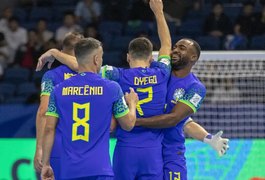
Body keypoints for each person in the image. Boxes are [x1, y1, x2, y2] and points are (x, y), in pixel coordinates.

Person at [37, 1, 172, 179]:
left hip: (124, 150)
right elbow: (166, 45)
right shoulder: (162, 72)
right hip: (153, 151)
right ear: (151, 57)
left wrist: (54, 52)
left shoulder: (116, 75)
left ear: (127, 57)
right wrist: (159, 12)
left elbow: (81, 65)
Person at [41, 37, 138, 180]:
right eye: (102, 57)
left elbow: (49, 129)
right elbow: (128, 124)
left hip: (70, 171)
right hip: (100, 170)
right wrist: (132, 104)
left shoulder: (58, 90)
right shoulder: (111, 88)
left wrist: (46, 164)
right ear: (96, 59)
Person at [136, 38, 229, 180]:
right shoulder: (158, 71)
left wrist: (209, 139)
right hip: (145, 146)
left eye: (182, 48)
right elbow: (185, 122)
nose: (175, 50)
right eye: (175, 47)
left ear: (193, 57)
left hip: (171, 151)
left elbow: (178, 119)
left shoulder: (195, 87)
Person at [33, 32, 83, 179]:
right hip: (88, 144)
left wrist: (40, 148)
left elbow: (44, 111)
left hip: (59, 145)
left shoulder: (51, 76)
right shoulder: (96, 74)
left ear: (62, 54)